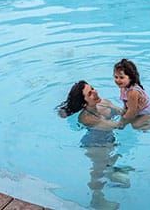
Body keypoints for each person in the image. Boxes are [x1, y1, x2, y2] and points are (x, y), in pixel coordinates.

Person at [59, 81, 131, 210]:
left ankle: (110, 173)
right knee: (97, 172)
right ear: (84, 103)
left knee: (109, 159)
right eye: (89, 93)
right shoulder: (86, 118)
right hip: (95, 146)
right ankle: (97, 199)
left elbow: (122, 112)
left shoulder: (104, 102)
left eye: (92, 88)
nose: (95, 92)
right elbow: (117, 125)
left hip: (108, 139)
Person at [113, 58, 150, 138]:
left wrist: (123, 120)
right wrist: (124, 114)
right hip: (138, 109)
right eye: (116, 77)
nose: (118, 80)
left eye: (121, 77)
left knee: (135, 125)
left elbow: (132, 111)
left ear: (130, 77)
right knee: (123, 116)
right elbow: (127, 105)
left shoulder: (132, 92)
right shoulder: (123, 86)